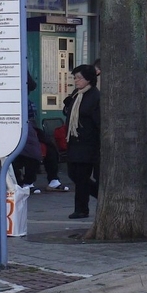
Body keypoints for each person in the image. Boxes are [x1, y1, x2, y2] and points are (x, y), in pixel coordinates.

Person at [63, 64, 100, 219]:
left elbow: (98, 121)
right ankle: (100, 194)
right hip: (74, 142)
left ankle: (81, 209)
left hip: (88, 143)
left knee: (82, 177)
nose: (76, 81)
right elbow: (70, 112)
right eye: (75, 78)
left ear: (89, 79)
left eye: (79, 78)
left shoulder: (95, 96)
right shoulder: (76, 94)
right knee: (74, 174)